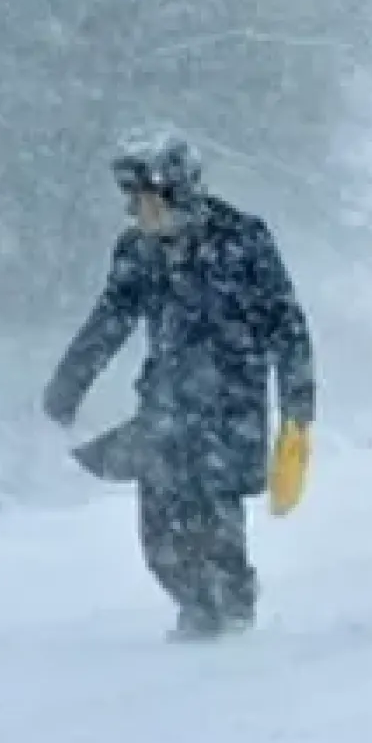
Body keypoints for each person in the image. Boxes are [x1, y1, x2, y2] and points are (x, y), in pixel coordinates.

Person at [42, 127, 315, 640]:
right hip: (164, 408)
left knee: (215, 519)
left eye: (146, 199)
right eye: (132, 200)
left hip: (231, 408)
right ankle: (195, 605)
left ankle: (230, 616)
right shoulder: (136, 252)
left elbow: (287, 324)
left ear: (179, 191)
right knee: (160, 534)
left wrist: (298, 404)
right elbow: (110, 321)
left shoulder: (243, 240)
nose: (137, 212)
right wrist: (68, 384)